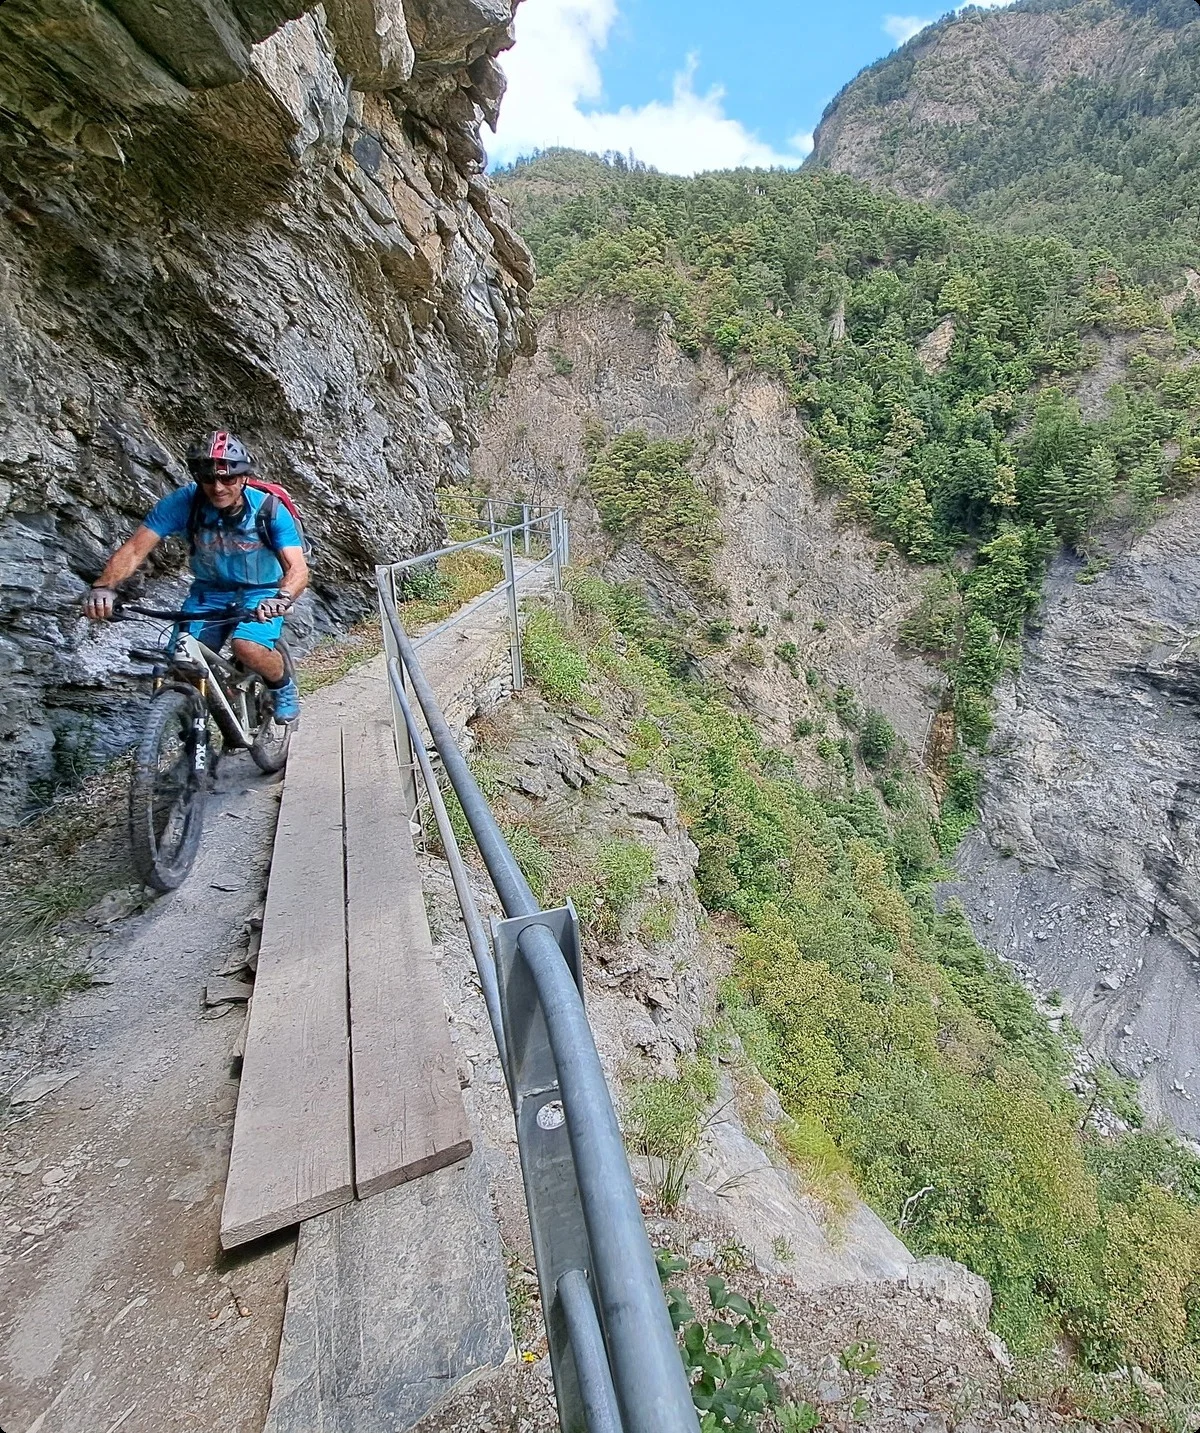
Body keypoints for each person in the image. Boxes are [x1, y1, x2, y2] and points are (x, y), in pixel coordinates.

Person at [84, 431, 308, 722]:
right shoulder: (184, 503)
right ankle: (205, 730)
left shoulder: (269, 510)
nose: (218, 488)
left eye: (228, 479)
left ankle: (282, 686)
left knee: (247, 647)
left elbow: (297, 568)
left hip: (262, 593)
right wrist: (105, 586)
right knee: (183, 662)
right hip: (208, 593)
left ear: (244, 478)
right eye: (208, 479)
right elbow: (136, 549)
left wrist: (282, 597)